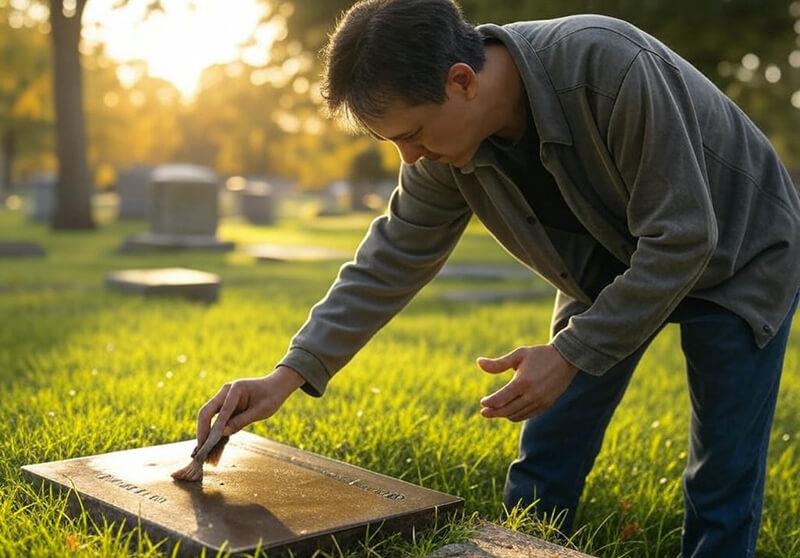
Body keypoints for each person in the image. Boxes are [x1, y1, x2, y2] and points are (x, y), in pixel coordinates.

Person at [195, 1, 800, 556]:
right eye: (393, 141)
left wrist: (569, 351)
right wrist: (287, 374)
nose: (409, 157)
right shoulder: (443, 147)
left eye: (411, 134)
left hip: (740, 254)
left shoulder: (609, 64)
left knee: (720, 478)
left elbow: (686, 237)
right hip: (604, 268)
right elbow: (392, 256)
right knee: (547, 458)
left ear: (462, 80)